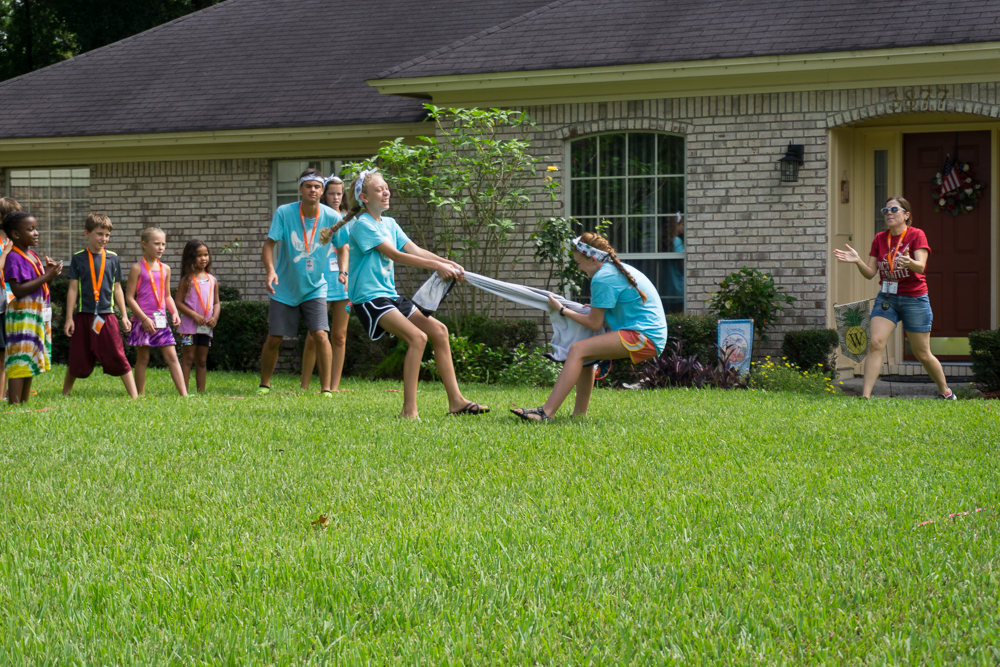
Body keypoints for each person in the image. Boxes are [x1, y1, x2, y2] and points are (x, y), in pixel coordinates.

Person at [334, 169, 487, 419]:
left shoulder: (390, 224)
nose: (386, 192)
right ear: (364, 197)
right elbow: (396, 255)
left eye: (386, 188)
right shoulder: (362, 226)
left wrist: (449, 263)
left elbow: (415, 250)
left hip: (389, 296)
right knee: (418, 338)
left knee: (439, 331)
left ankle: (457, 401)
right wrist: (438, 267)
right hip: (369, 299)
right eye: (379, 190)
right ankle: (409, 410)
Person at [511, 232, 667, 421]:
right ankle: (579, 415)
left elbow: (594, 323)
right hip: (647, 334)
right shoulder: (613, 270)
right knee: (585, 353)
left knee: (578, 349)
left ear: (593, 259)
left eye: (579, 263)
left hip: (644, 337)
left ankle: (546, 412)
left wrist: (562, 309)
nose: (579, 268)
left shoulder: (603, 277)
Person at [834, 196, 955, 400]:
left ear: (906, 215)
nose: (888, 213)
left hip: (914, 298)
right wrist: (858, 261)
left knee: (922, 353)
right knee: (876, 343)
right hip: (887, 298)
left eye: (894, 210)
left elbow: (921, 267)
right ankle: (865, 397)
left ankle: (946, 392)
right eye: (885, 211)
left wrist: (909, 262)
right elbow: (870, 273)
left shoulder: (916, 235)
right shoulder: (880, 238)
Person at [258, 168, 337, 396]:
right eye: (308, 186)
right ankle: (264, 385)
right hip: (284, 286)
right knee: (275, 338)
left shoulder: (331, 217)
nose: (313, 190)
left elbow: (343, 247)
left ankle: (326, 389)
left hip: (315, 287)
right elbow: (269, 245)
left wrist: (343, 270)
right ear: (300, 188)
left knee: (321, 335)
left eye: (317, 187)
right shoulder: (284, 212)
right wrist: (270, 271)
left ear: (322, 191)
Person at [62, 213, 137, 399]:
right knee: (77, 355)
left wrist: (124, 315)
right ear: (87, 233)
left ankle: (135, 396)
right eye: (99, 234)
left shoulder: (112, 258)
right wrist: (69, 318)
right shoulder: (78, 258)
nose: (104, 238)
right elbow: (73, 289)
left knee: (118, 354)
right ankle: (65, 394)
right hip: (83, 315)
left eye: (107, 235)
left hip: (106, 316)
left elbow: (117, 289)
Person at [2, 211, 62, 404]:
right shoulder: (13, 257)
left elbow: (40, 286)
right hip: (22, 314)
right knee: (20, 359)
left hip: (35, 312)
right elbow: (18, 290)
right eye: (30, 229)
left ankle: (23, 404)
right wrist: (46, 276)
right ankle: (15, 403)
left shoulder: (33, 255)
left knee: (30, 358)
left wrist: (49, 276)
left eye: (36, 228)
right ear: (15, 234)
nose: (36, 233)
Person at [301, 176, 351, 392]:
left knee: (339, 336)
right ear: (323, 194)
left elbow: (349, 248)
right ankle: (304, 387)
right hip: (319, 283)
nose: (336, 197)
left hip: (343, 283)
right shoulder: (318, 217)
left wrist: (346, 272)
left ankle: (333, 386)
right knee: (314, 336)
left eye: (339, 193)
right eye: (332, 193)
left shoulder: (349, 219)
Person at [125, 227, 187, 396]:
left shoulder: (165, 269)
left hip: (161, 320)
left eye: (163, 244)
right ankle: (140, 394)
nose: (161, 248)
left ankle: (184, 395)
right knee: (143, 358)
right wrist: (144, 319)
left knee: (172, 356)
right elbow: (129, 297)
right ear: (144, 245)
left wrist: (174, 312)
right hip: (143, 321)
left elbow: (167, 295)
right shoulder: (137, 268)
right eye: (156, 244)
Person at [175, 240, 220, 393]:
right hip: (189, 328)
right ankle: (184, 392)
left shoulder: (212, 280)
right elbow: (178, 302)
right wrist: (194, 315)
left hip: (206, 328)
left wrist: (215, 317)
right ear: (190, 257)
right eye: (199, 255)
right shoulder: (186, 280)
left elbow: (216, 303)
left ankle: (201, 392)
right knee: (188, 359)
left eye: (206, 255)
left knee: (201, 360)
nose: (203, 258)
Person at [0, 196, 23, 402]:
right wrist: (6, 252)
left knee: (8, 351)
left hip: (10, 302)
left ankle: (5, 393)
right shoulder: (4, 245)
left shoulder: (12, 242)